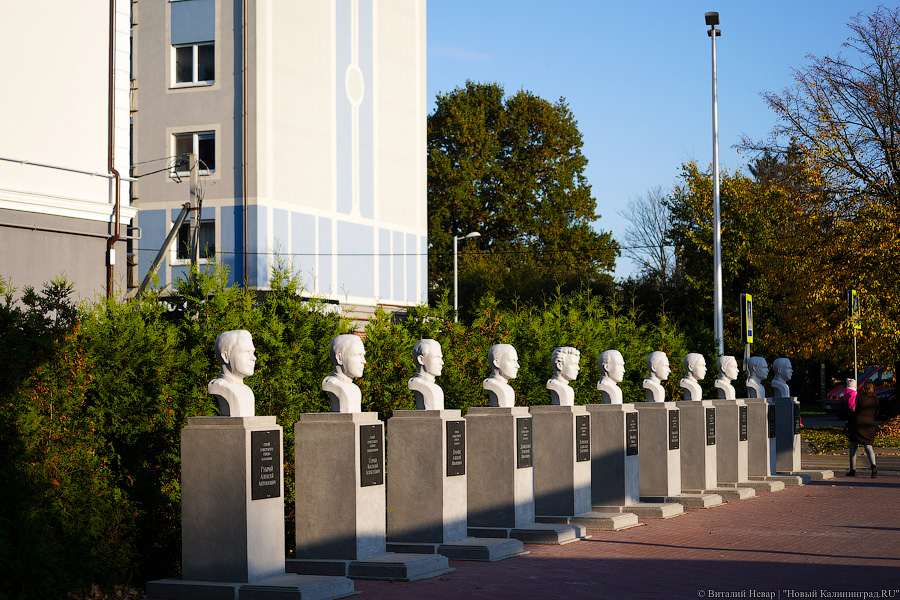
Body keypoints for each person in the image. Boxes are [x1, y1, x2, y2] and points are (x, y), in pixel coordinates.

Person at [208, 329, 257, 417]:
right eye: (246, 352)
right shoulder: (219, 386)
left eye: (253, 352)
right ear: (225, 357)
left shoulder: (247, 391)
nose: (254, 358)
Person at [323, 334, 367, 413]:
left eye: (363, 355)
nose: (364, 361)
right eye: (358, 355)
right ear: (339, 358)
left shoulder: (355, 389)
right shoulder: (331, 384)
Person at [844, 379, 878, 478]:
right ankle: (873, 466)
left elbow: (853, 410)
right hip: (869, 425)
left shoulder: (859, 397)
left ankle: (853, 470)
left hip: (857, 425)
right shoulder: (875, 400)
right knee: (868, 447)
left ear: (864, 388)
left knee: (853, 447)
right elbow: (876, 413)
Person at [408, 338, 445, 410]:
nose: (442, 362)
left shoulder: (437, 389)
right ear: (421, 360)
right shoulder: (417, 384)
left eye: (441, 358)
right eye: (437, 357)